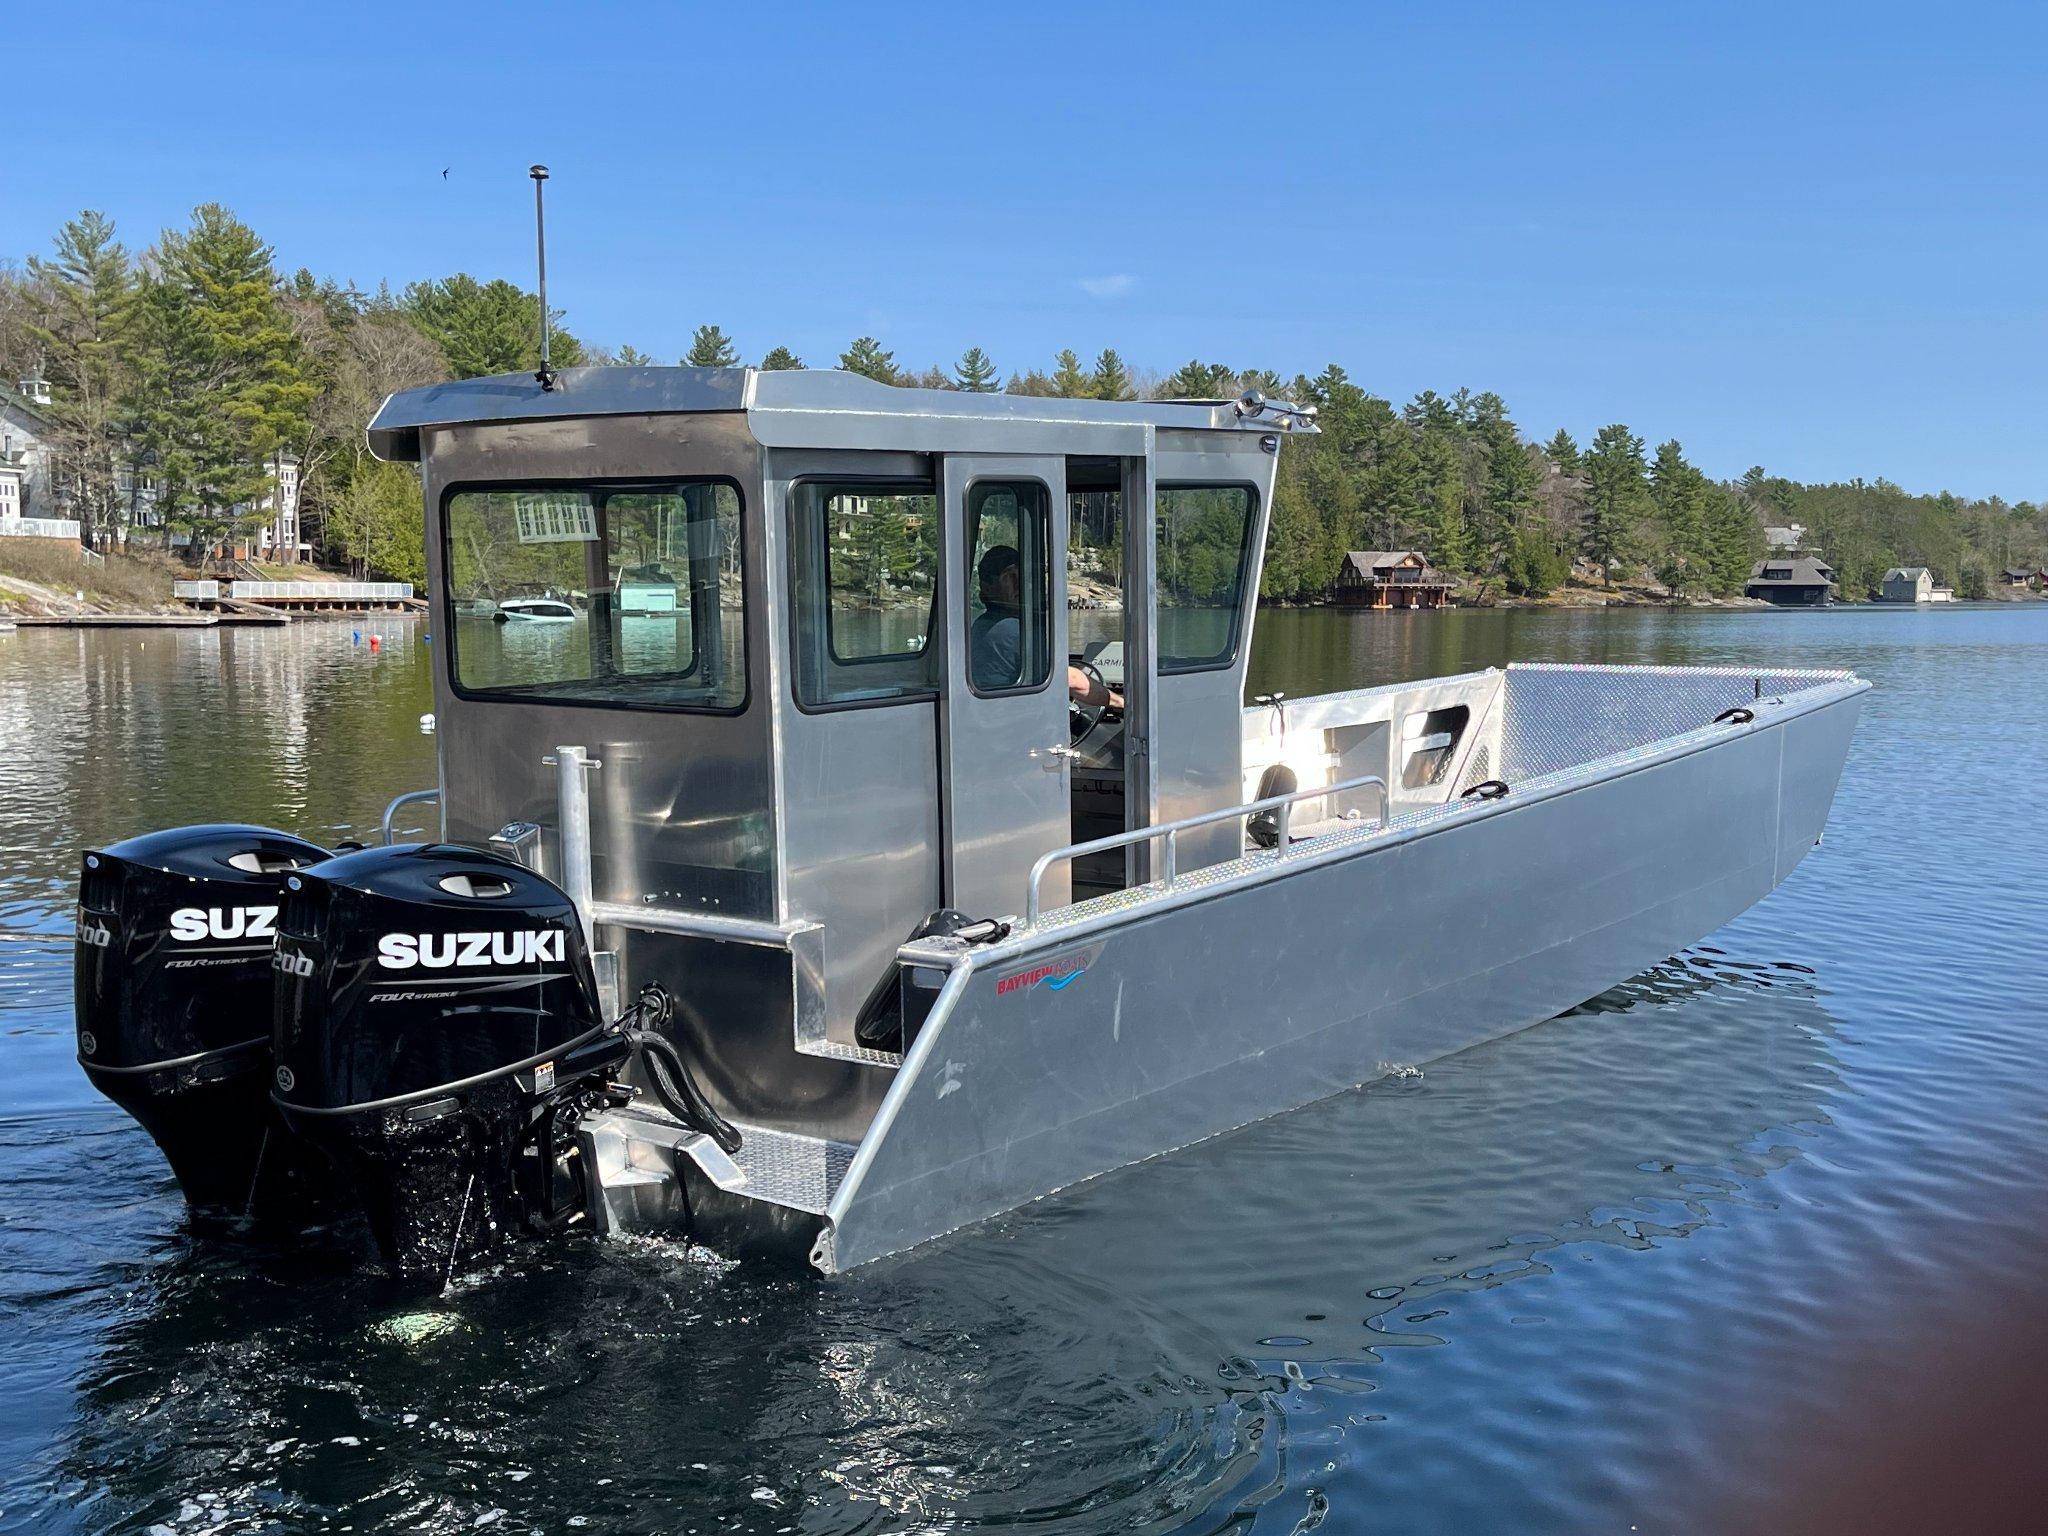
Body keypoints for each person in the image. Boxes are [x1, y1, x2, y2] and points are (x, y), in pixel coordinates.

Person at [970, 544, 1121, 708]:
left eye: (1022, 578)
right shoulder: (1013, 630)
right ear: (990, 586)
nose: (1020, 586)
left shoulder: (981, 625)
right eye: (1010, 578)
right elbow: (1073, 680)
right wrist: (1120, 702)